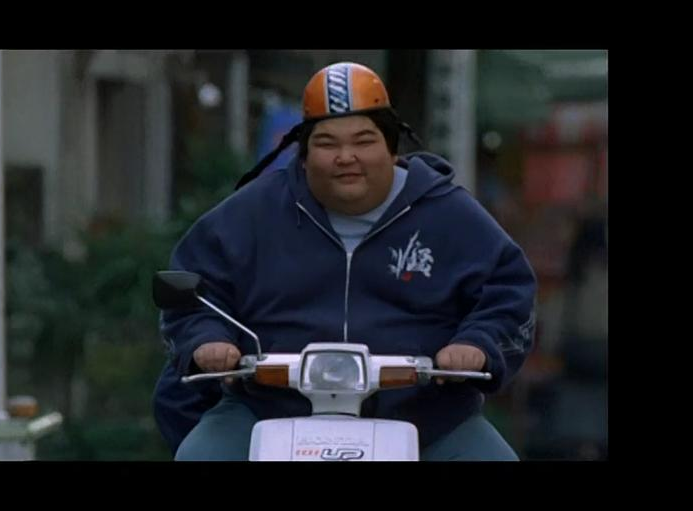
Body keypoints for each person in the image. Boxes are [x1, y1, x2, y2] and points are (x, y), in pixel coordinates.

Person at [154, 62, 537, 461]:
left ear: (392, 148)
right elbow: (195, 287)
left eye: (364, 140)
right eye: (327, 143)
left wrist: (476, 343)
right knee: (200, 454)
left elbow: (508, 289)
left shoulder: (449, 213)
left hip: (430, 418)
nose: (346, 157)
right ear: (303, 154)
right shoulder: (252, 212)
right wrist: (208, 338)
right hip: (266, 411)